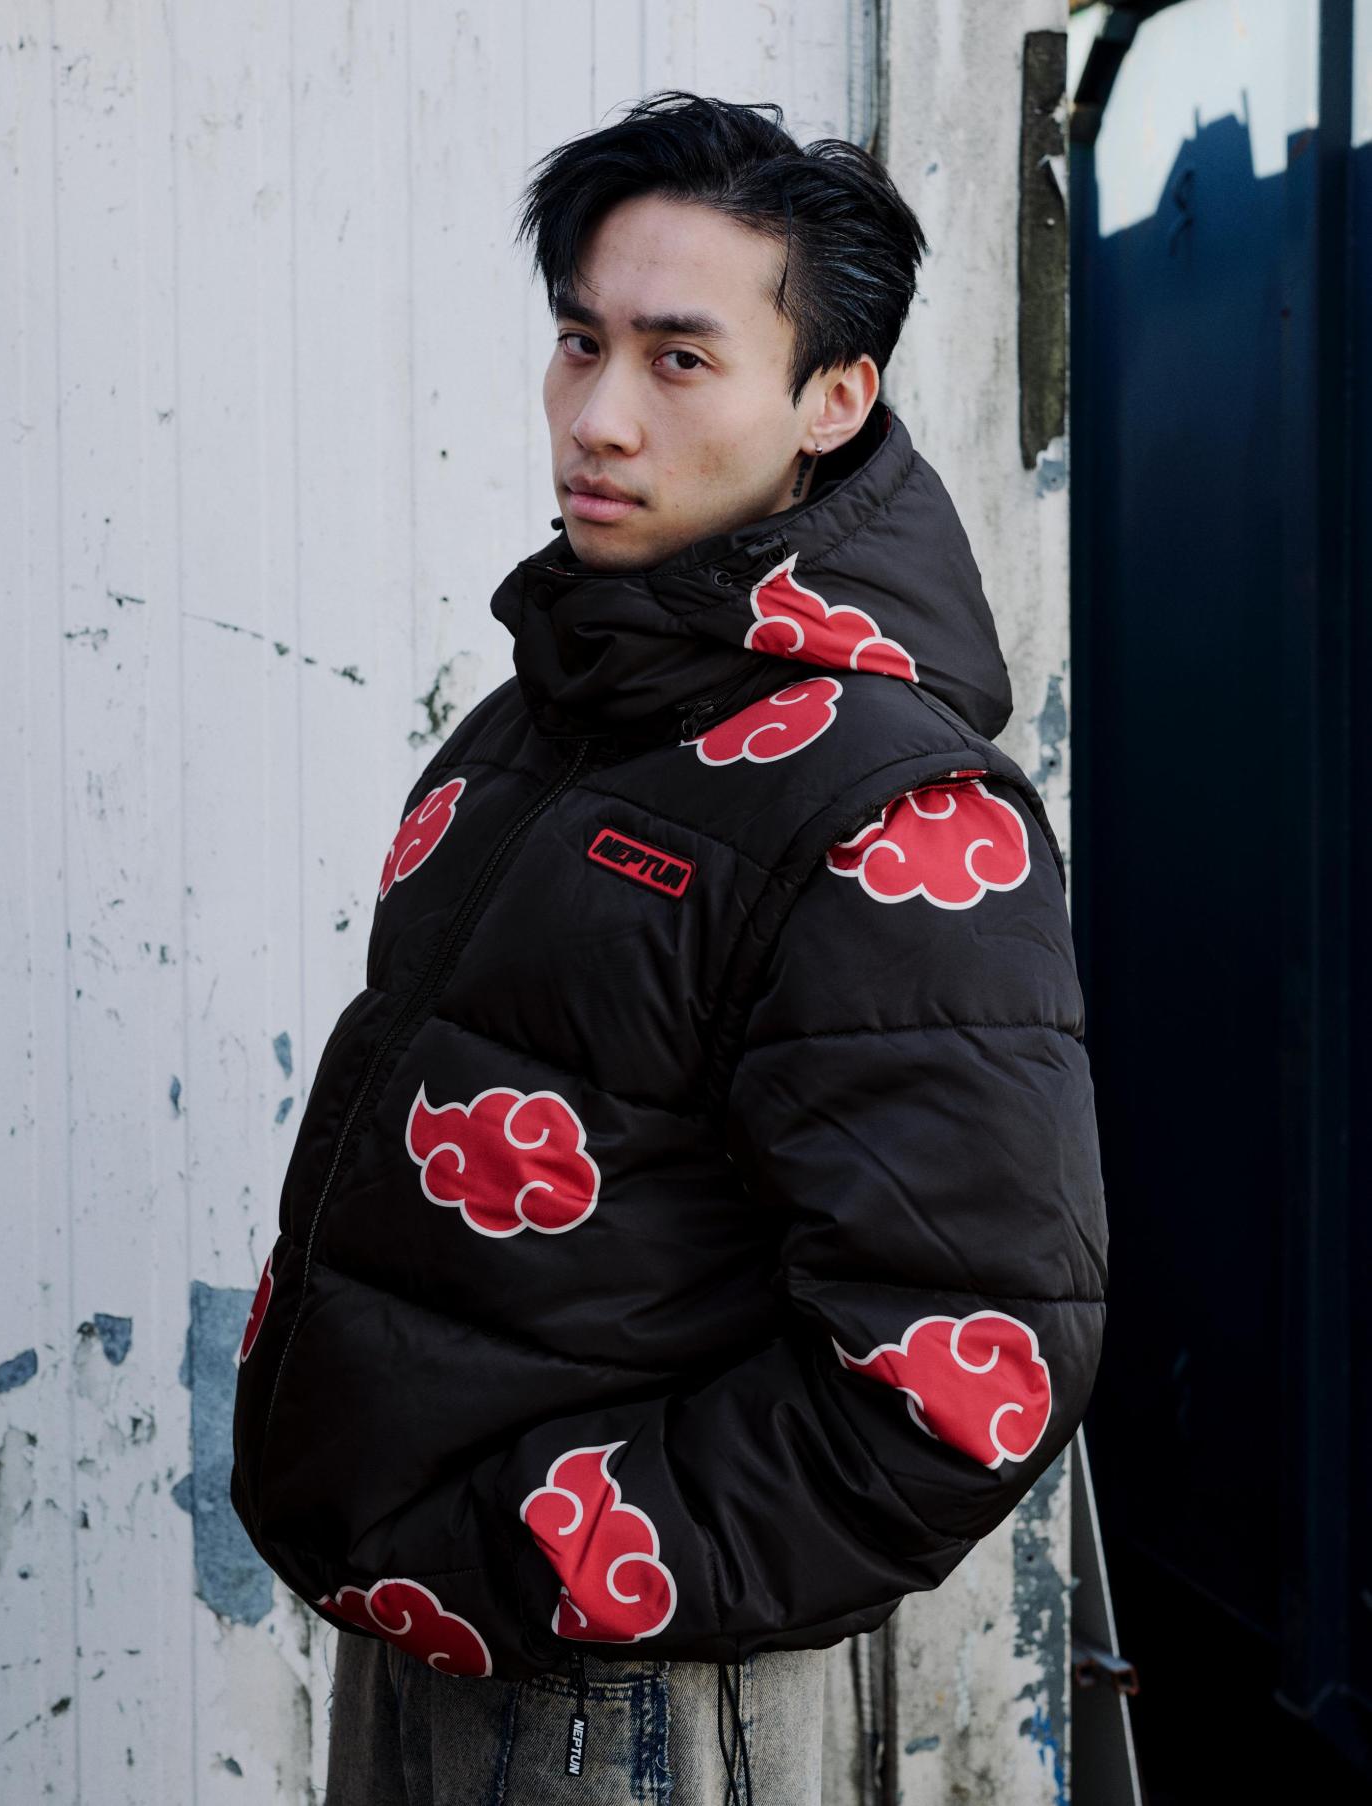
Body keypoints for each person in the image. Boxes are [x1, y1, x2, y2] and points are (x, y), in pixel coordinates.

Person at [229, 90, 1108, 1805]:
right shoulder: (551, 710)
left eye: (679, 359)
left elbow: (959, 1375)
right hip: (423, 1635)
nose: (597, 417)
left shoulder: (892, 809)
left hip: (615, 1694)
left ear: (830, 400)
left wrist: (549, 1551)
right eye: (579, 342)